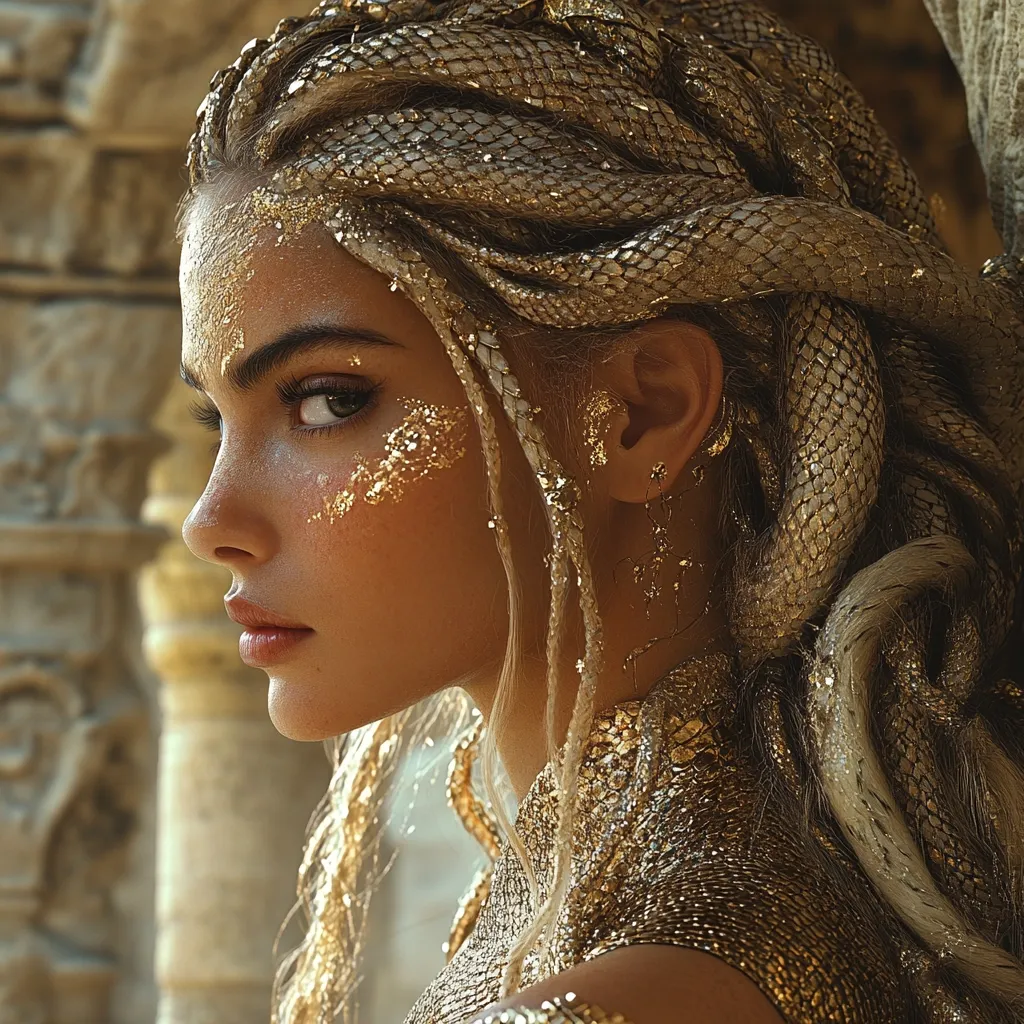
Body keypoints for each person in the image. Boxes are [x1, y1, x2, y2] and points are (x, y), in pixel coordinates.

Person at [176, 0, 1024, 1020]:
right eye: (214, 417)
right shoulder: (656, 912)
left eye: (328, 400)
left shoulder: (651, 983)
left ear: (641, 411)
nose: (211, 518)